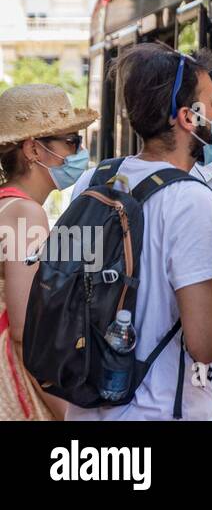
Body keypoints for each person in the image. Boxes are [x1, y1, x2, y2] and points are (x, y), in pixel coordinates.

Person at [65, 43, 212, 420]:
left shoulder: (95, 179)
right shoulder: (190, 200)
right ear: (188, 117)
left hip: (88, 411)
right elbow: (205, 343)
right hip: (160, 410)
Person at [0, 84, 99, 419]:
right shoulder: (25, 213)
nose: (79, 151)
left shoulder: (7, 204)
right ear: (33, 149)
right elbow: (24, 330)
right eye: (71, 141)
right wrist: (67, 410)